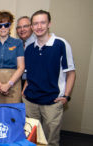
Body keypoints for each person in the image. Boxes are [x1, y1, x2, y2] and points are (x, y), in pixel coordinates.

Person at [22, 10, 76, 146]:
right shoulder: (29, 48)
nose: (39, 26)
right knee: (31, 138)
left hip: (52, 102)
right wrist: (24, 93)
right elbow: (29, 74)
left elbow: (71, 73)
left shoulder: (60, 44)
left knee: (50, 140)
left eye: (42, 22)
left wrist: (66, 96)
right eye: (35, 23)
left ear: (49, 24)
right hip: (31, 102)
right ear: (32, 27)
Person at [16, 16, 36, 87]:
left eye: (25, 26)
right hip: (18, 81)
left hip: (33, 82)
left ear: (31, 27)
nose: (22, 29)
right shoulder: (16, 44)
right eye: (19, 27)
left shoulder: (38, 44)